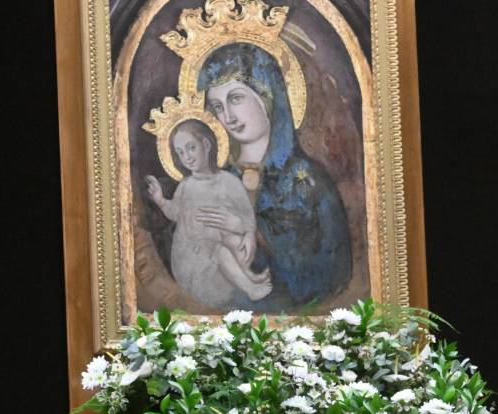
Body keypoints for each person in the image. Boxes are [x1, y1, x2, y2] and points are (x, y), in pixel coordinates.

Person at [197, 43, 352, 311]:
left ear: (267, 95)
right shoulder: (215, 181)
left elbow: (332, 272)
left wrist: (254, 232)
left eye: (235, 99)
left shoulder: (309, 182)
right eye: (217, 106)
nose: (228, 117)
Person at [145, 120, 272, 307]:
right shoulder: (186, 186)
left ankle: (249, 276)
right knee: (220, 250)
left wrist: (249, 234)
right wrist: (161, 200)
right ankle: (250, 288)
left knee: (235, 241)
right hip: (192, 258)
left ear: (206, 145)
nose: (186, 157)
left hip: (218, 248)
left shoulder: (229, 182)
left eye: (191, 148)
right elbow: (175, 213)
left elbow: (246, 214)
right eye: (180, 153)